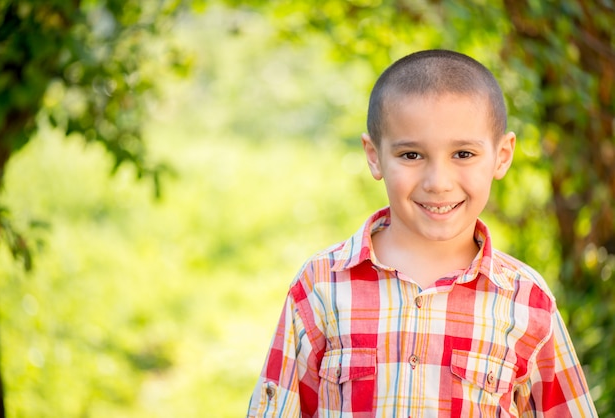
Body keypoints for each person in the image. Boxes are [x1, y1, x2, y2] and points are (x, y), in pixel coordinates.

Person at [247, 50, 597, 417]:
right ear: (373, 155)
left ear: (502, 155)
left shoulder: (528, 302)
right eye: (412, 155)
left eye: (463, 154)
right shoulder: (321, 286)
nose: (438, 183)